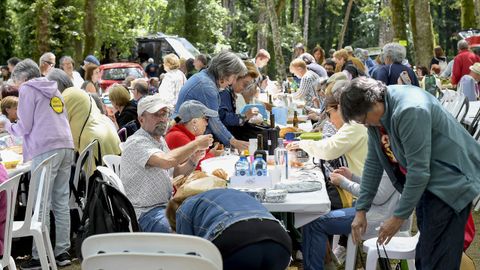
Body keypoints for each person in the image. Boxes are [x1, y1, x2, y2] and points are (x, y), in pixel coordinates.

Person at [340, 77, 480, 270]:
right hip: (430, 184)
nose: (365, 125)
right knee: (425, 254)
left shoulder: (410, 110)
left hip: (451, 183)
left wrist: (398, 218)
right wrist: (361, 209)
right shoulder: (378, 116)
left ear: (373, 103)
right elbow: (373, 163)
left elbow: (419, 171)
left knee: (438, 259)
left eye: (363, 120)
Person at [3, 59, 74, 269]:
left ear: (23, 78)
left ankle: (38, 255)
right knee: (61, 202)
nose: (16, 87)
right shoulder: (54, 88)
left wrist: (7, 124)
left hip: (46, 148)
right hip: (66, 145)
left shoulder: (27, 89)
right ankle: (62, 252)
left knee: (40, 203)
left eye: (16, 82)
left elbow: (25, 126)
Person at [121, 95, 213, 232]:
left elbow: (176, 173)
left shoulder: (159, 140)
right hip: (145, 213)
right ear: (141, 119)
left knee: (206, 220)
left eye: (165, 114)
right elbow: (167, 162)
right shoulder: (137, 142)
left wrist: (193, 160)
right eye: (156, 115)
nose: (163, 119)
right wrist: (196, 144)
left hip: (165, 207)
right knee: (188, 231)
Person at [167, 188, 292, 270]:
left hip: (235, 241)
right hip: (279, 241)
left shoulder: (184, 208)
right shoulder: (230, 193)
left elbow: (188, 257)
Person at [175, 51, 250, 150]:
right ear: (225, 72)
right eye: (234, 77)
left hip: (182, 131)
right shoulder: (207, 86)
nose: (233, 81)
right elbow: (213, 120)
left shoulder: (204, 79)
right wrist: (233, 142)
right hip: (183, 136)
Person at [47, 68, 121, 163]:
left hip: (93, 145)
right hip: (105, 137)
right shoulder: (76, 92)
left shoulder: (65, 96)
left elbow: (55, 126)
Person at [165, 100, 224, 170]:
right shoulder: (177, 136)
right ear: (194, 122)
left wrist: (211, 151)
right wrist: (212, 154)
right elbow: (197, 167)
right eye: (205, 119)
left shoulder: (187, 135)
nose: (207, 123)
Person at [219, 61, 261, 141]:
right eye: (245, 84)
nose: (244, 88)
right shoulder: (224, 93)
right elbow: (222, 117)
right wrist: (244, 116)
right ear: (235, 78)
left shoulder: (230, 93)